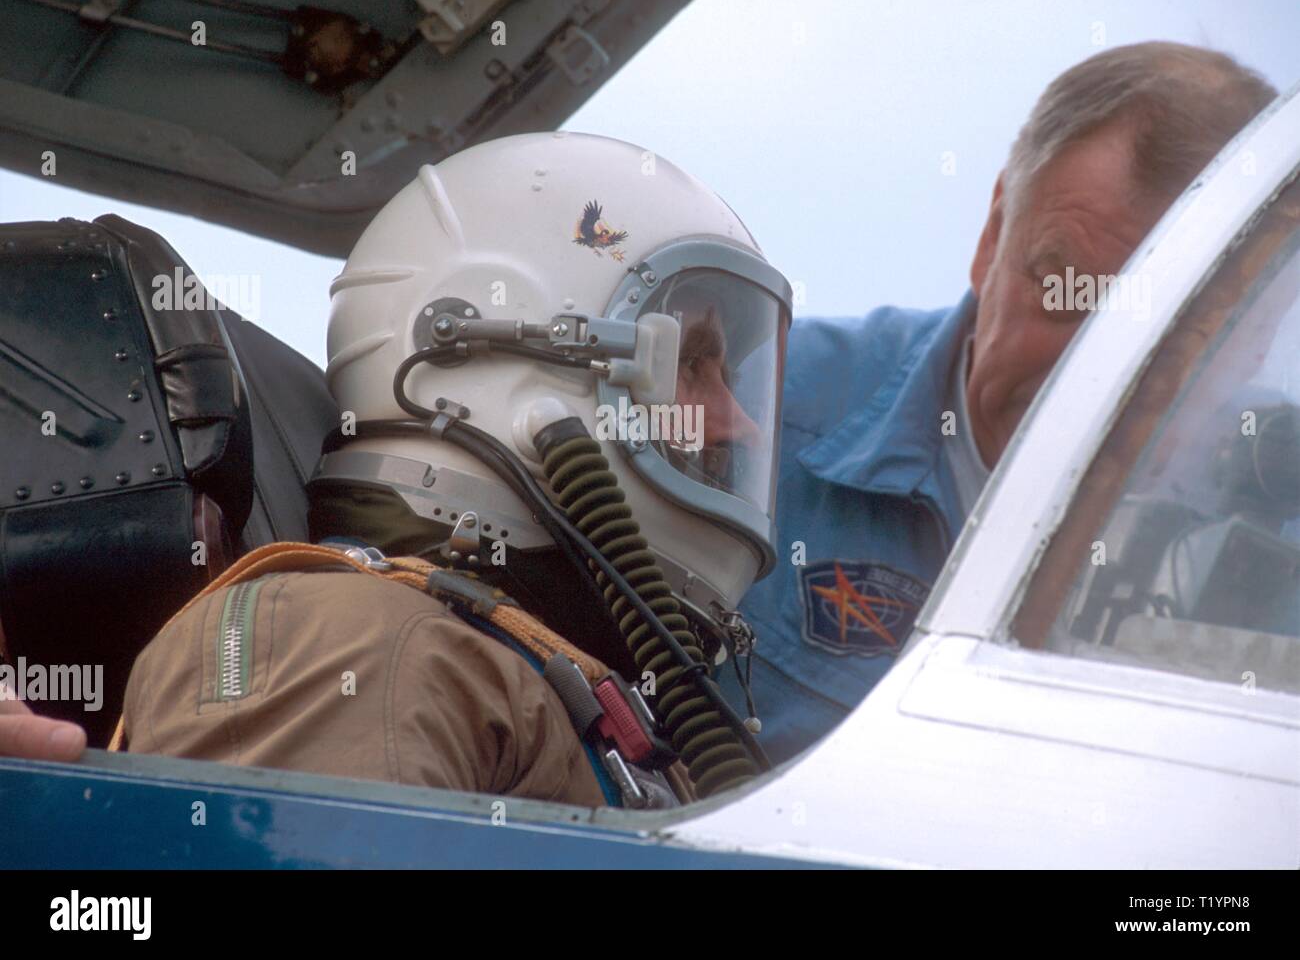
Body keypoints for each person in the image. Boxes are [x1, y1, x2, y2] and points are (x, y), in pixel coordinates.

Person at [120, 132, 793, 807]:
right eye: (691, 364)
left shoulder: (556, 678)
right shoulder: (346, 644)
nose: (742, 424)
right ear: (486, 344)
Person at [733, 41, 1280, 764]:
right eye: (1060, 287)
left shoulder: (1285, 545)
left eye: (1164, 344)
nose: (1086, 376)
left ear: (1260, 338)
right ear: (992, 235)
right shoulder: (749, 422)